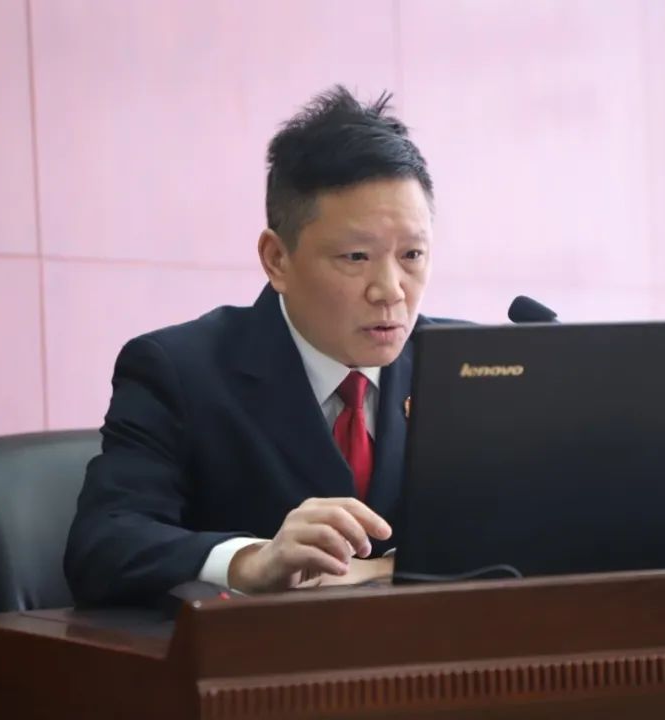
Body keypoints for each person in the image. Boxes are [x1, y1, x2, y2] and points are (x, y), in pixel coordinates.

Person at [64, 85, 442, 605]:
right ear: (277, 259)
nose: (391, 290)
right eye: (356, 257)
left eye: (412, 255)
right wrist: (250, 561)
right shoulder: (180, 371)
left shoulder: (468, 366)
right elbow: (103, 544)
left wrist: (383, 570)